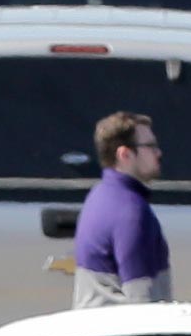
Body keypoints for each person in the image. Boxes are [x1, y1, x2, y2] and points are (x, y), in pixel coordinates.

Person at [67, 112, 169, 307]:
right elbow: (142, 301)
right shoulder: (131, 212)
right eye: (150, 146)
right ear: (124, 154)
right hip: (119, 334)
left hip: (93, 330)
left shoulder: (100, 195)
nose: (158, 152)